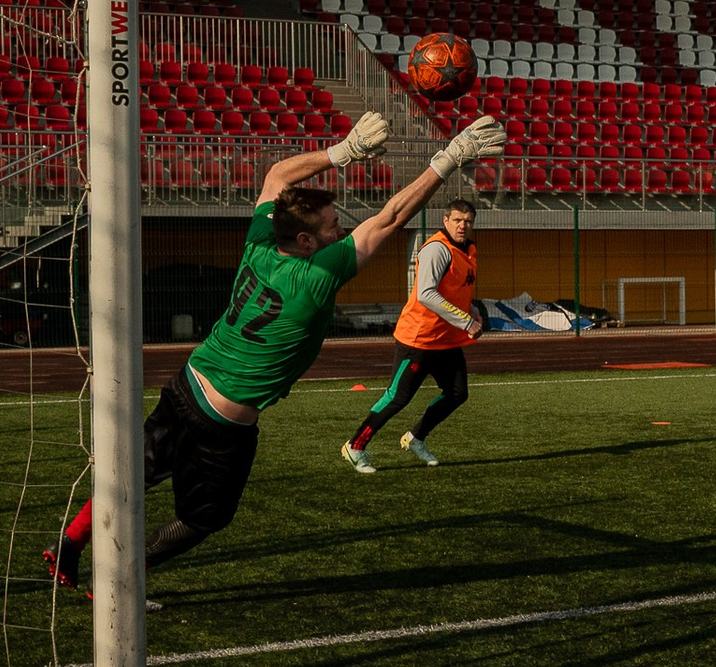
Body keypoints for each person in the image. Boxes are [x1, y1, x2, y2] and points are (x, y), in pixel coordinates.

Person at [44, 110, 509, 588]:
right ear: (306, 240)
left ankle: (69, 544)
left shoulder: (261, 239)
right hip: (221, 423)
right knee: (204, 519)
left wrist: (341, 153)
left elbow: (277, 175)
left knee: (134, 477)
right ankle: (122, 581)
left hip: (188, 383)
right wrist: (449, 157)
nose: (340, 230)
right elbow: (390, 217)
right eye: (331, 227)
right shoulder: (316, 275)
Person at [342, 198, 482, 471]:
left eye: (467, 221)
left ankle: (415, 437)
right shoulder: (437, 250)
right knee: (398, 398)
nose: (463, 226)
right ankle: (355, 445)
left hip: (446, 340)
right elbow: (426, 294)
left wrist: (473, 310)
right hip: (419, 339)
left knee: (456, 393)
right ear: (445, 221)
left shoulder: (469, 250)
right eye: (457, 220)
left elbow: (456, 289)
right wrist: (466, 322)